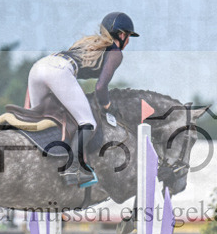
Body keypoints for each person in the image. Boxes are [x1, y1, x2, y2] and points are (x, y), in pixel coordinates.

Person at [26, 12, 138, 187]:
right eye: (129, 36)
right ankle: (73, 167)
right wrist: (107, 105)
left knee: (41, 121)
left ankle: (37, 166)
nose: (128, 41)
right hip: (59, 71)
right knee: (88, 122)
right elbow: (100, 87)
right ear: (122, 35)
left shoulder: (88, 44)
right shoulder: (115, 52)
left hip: (38, 68)